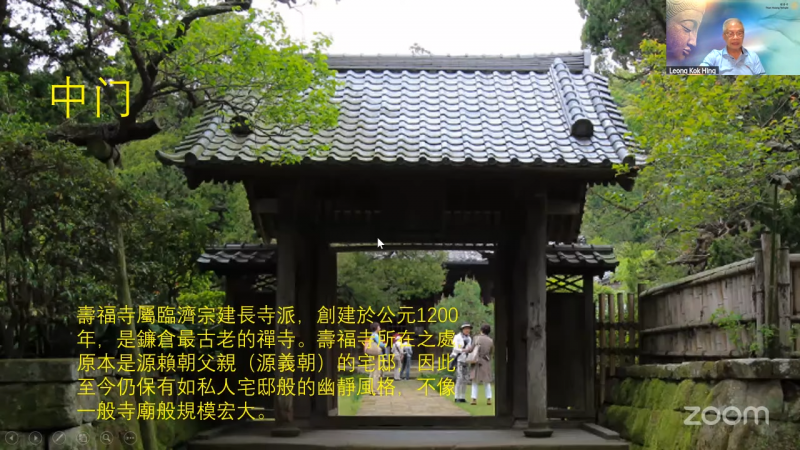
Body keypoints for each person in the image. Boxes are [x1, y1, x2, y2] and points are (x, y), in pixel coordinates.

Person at [700, 18, 765, 75]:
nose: (735, 37)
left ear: (743, 35)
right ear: (724, 36)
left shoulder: (753, 57)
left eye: (739, 33)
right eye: (730, 33)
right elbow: (700, 70)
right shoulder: (715, 56)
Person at [469, 324, 494, 406]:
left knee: (475, 381)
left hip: (476, 361)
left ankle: (474, 399)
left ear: (481, 330)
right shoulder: (490, 340)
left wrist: (464, 350)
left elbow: (471, 349)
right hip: (486, 361)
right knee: (486, 381)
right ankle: (489, 399)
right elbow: (491, 352)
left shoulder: (476, 338)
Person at [451, 323, 473, 403]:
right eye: (466, 329)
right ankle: (456, 397)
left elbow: (469, 348)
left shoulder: (469, 338)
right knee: (459, 378)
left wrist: (469, 350)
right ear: (462, 329)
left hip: (466, 359)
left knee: (465, 379)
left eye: (468, 329)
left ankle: (462, 397)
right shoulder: (457, 337)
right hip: (458, 359)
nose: (467, 330)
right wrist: (463, 350)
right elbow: (455, 348)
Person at [367, 322, 386, 395]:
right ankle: (375, 390)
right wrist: (384, 344)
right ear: (376, 328)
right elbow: (380, 344)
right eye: (379, 327)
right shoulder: (376, 335)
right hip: (376, 355)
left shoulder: (371, 335)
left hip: (371, 354)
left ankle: (370, 389)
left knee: (371, 372)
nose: (380, 328)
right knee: (376, 372)